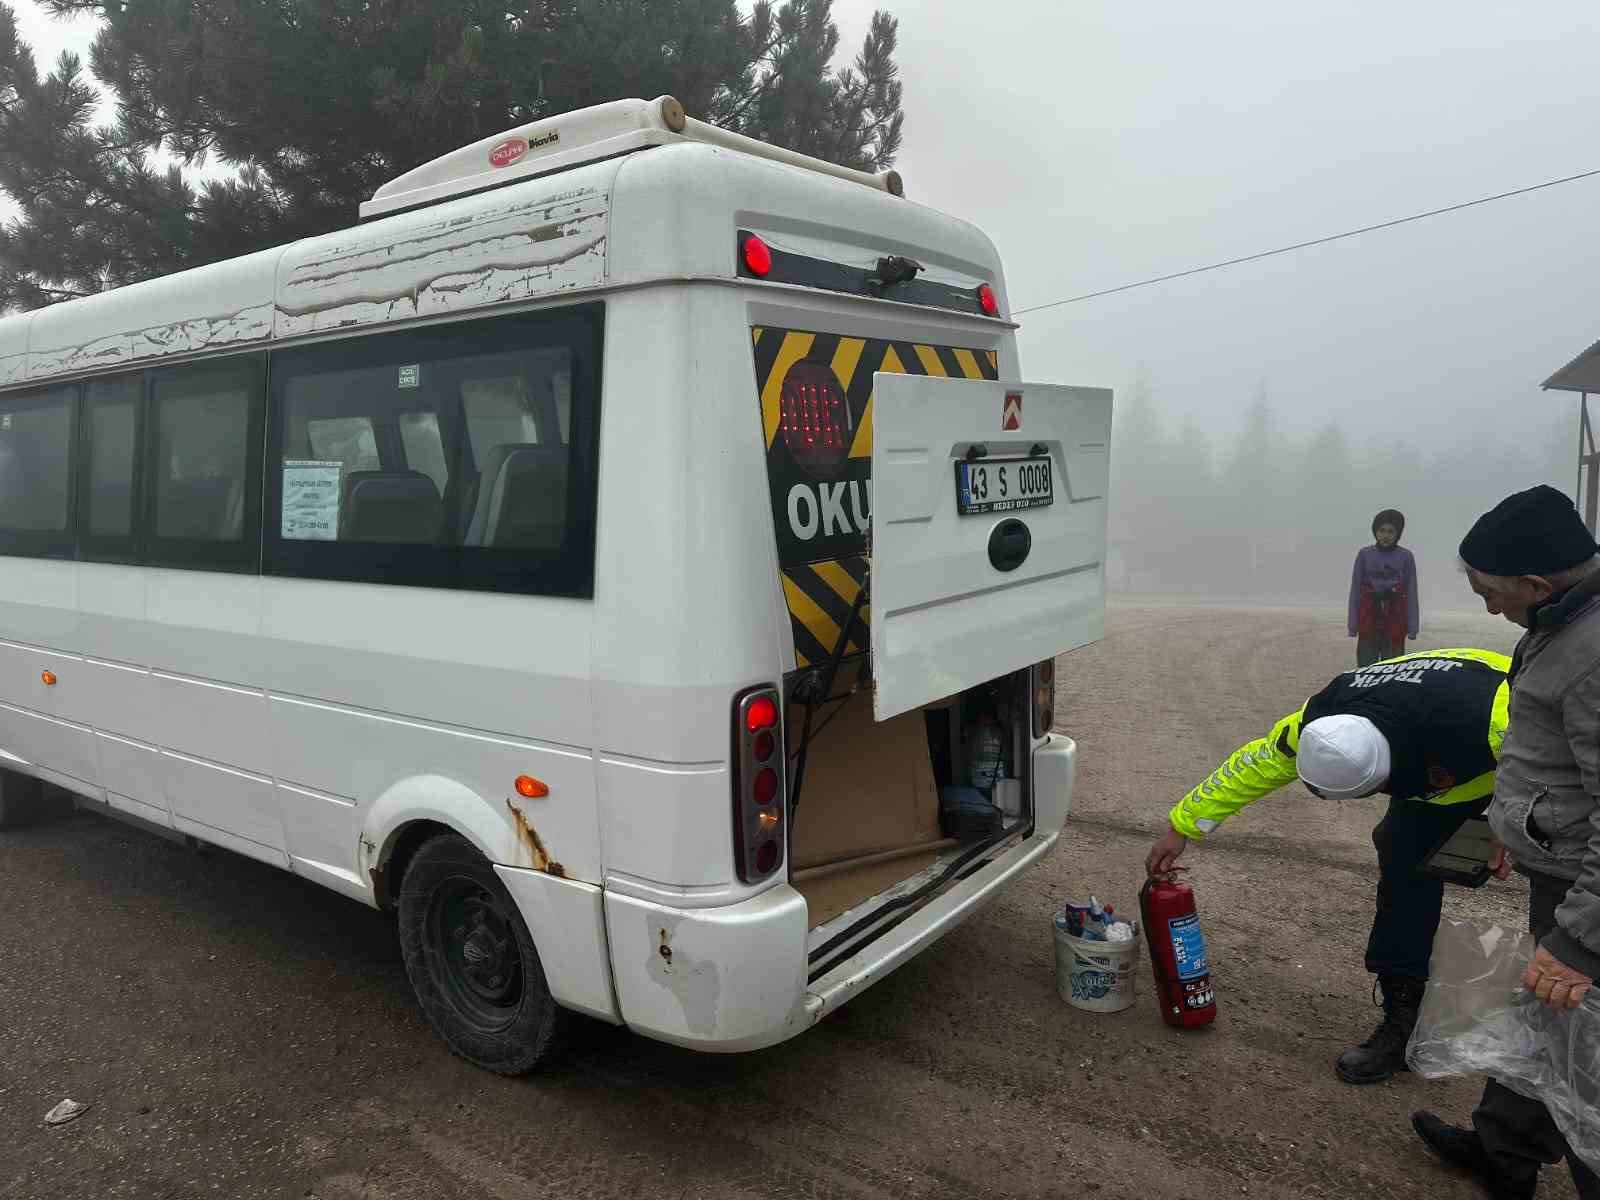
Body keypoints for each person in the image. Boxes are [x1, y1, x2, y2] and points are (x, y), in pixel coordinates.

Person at [1146, 646, 1510, 1083]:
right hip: (1437, 759)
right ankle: (1403, 1018)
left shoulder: (1493, 716)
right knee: (1401, 858)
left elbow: (1558, 759)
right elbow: (1255, 764)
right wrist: (1182, 825)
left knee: (1556, 875)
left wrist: (1512, 825)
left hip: (1511, 765)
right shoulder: (1321, 722)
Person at [1412, 485, 1600, 1200]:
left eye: (1490, 592)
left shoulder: (1590, 654)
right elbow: (1549, 758)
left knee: (1585, 1060)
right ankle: (1503, 1152)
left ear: (1536, 583)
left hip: (1587, 893)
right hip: (1563, 873)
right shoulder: (1560, 623)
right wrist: (1508, 827)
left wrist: (1580, 941)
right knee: (1544, 1023)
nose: (1488, 605)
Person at [1349, 509, 1419, 666]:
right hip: (1368, 619)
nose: (1385, 536)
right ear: (1375, 532)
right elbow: (1355, 590)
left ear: (1398, 533)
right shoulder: (1364, 555)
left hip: (1396, 620)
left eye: (1391, 531)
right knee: (1366, 670)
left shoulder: (1406, 557)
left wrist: (1413, 627)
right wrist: (1353, 625)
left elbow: (1412, 592)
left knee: (1391, 671)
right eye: (1381, 531)